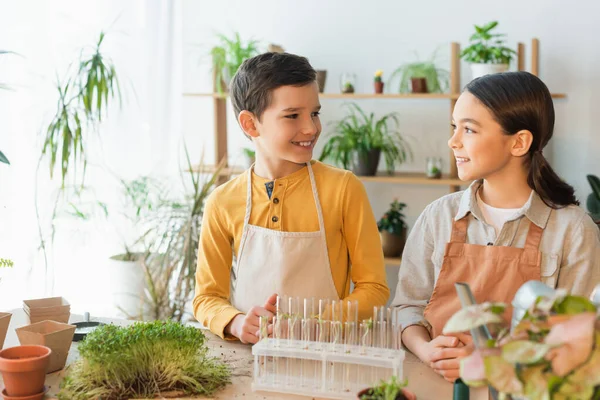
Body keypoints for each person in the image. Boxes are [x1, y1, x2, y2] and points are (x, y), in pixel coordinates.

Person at [392, 71, 600, 382]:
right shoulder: (438, 217)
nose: (453, 141)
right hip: (431, 387)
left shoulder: (573, 231)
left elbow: (580, 340)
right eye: (454, 127)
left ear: (519, 142)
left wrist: (488, 360)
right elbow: (406, 306)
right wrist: (426, 350)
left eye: (469, 129)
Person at [193, 52, 389, 343]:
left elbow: (374, 288)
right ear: (250, 124)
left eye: (315, 113)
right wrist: (235, 323)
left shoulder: (344, 189)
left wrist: (318, 324)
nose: (311, 128)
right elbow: (207, 297)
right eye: (292, 116)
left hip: (327, 355)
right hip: (250, 363)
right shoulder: (223, 202)